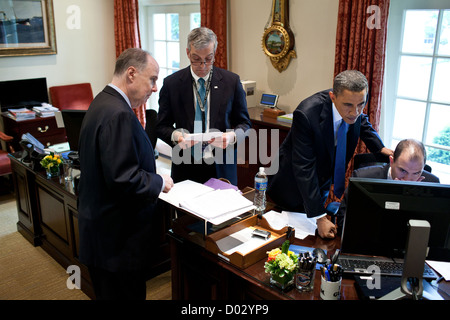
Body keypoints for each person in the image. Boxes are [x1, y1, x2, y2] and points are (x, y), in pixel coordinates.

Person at [78, 48, 173, 300]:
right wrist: (159, 180)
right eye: (152, 79)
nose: (154, 88)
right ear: (131, 73)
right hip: (116, 243)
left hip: (101, 234)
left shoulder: (102, 101)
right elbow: (124, 179)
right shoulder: (118, 113)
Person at [267, 70, 393, 239]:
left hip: (321, 181)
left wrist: (380, 148)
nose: (355, 111)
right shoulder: (306, 114)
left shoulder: (353, 105)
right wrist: (320, 217)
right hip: (292, 185)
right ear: (333, 97)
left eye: (361, 104)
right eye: (349, 105)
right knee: (289, 238)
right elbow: (304, 168)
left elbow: (362, 121)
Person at [156, 27, 251, 185]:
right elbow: (161, 126)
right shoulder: (171, 84)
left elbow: (245, 124)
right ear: (188, 53)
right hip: (185, 165)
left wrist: (232, 136)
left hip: (222, 165)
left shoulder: (231, 82)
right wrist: (177, 137)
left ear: (214, 53)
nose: (203, 65)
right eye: (196, 59)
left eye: (208, 59)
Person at [335, 139, 440, 231]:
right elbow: (342, 220)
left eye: (416, 173)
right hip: (369, 242)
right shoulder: (362, 177)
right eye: (403, 170)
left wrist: (411, 200)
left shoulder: (432, 183)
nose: (408, 179)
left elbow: (435, 229)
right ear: (391, 161)